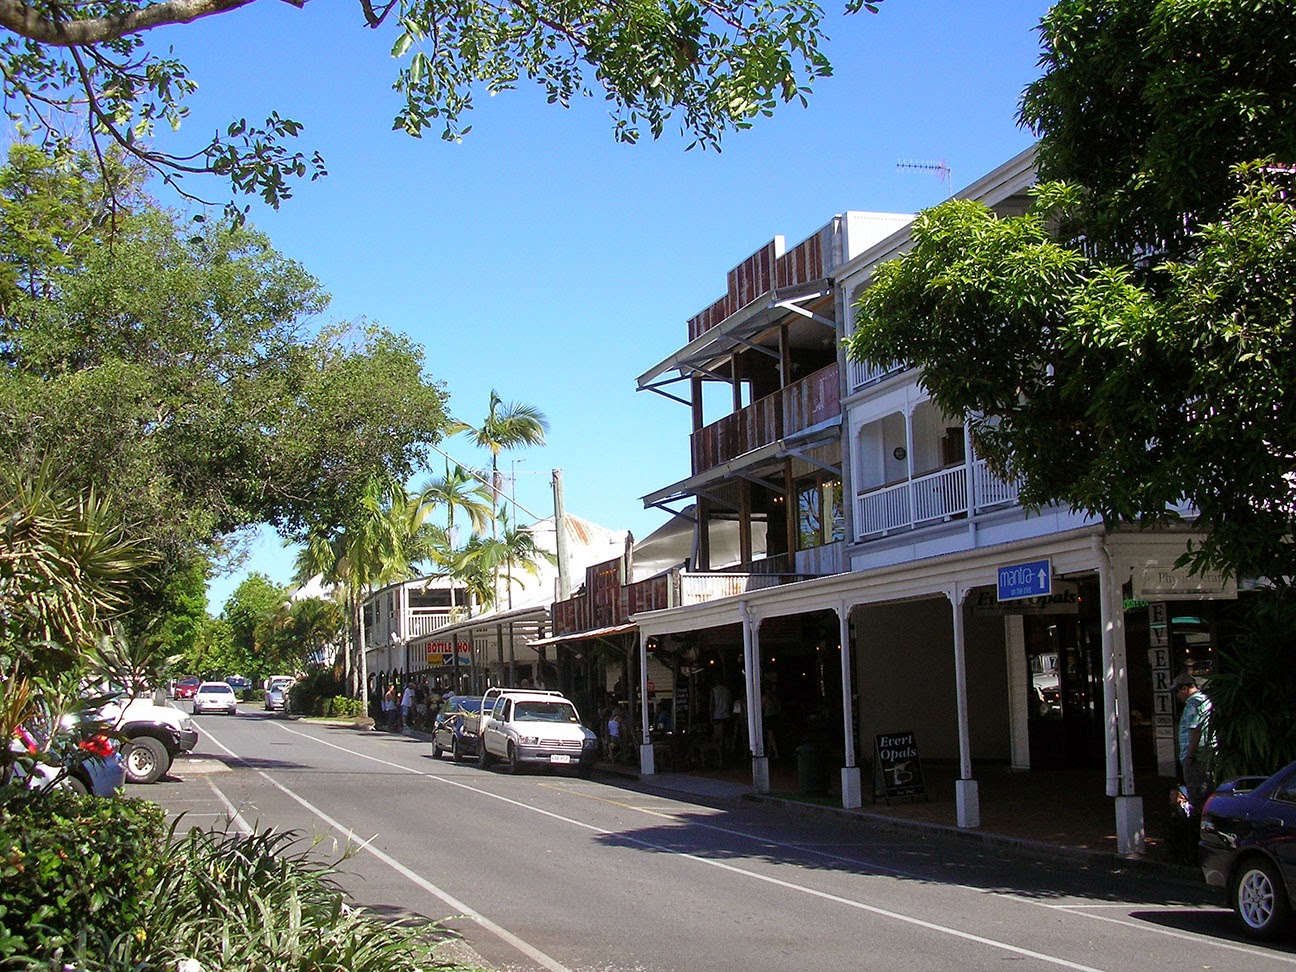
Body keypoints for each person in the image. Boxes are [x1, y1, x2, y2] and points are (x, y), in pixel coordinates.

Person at [1173, 672, 1216, 810]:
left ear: (1184, 688)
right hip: (1207, 755)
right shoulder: (1205, 701)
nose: (1177, 696)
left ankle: (1198, 825)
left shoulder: (1193, 704)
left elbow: (1195, 731)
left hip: (1197, 758)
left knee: (1198, 795)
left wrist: (1190, 757)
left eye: (1177, 691)